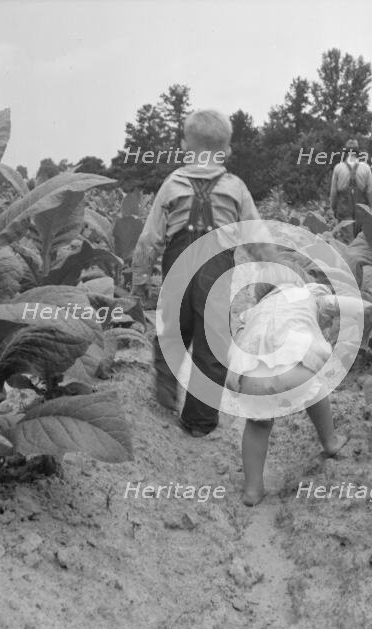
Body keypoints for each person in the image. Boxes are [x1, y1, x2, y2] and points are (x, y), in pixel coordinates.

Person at [132, 109, 274, 438]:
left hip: (177, 269)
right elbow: (256, 236)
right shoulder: (236, 188)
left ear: (185, 146)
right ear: (227, 152)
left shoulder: (171, 185)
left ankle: (166, 386)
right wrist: (271, 268)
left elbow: (149, 239)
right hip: (216, 274)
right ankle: (198, 421)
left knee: (172, 330)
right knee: (213, 345)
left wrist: (140, 280)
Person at [225, 260, 371, 506]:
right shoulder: (309, 295)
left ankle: (252, 489)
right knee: (315, 388)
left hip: (252, 378)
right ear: (300, 280)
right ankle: (330, 441)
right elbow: (352, 307)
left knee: (257, 425)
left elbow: (237, 342)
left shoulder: (252, 313)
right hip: (295, 367)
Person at [329, 138, 372, 241]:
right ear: (358, 152)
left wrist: (333, 208)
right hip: (362, 213)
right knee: (361, 243)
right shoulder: (366, 168)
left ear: (346, 152)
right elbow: (370, 193)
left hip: (344, 213)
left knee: (347, 243)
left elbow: (333, 193)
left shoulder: (338, 168)